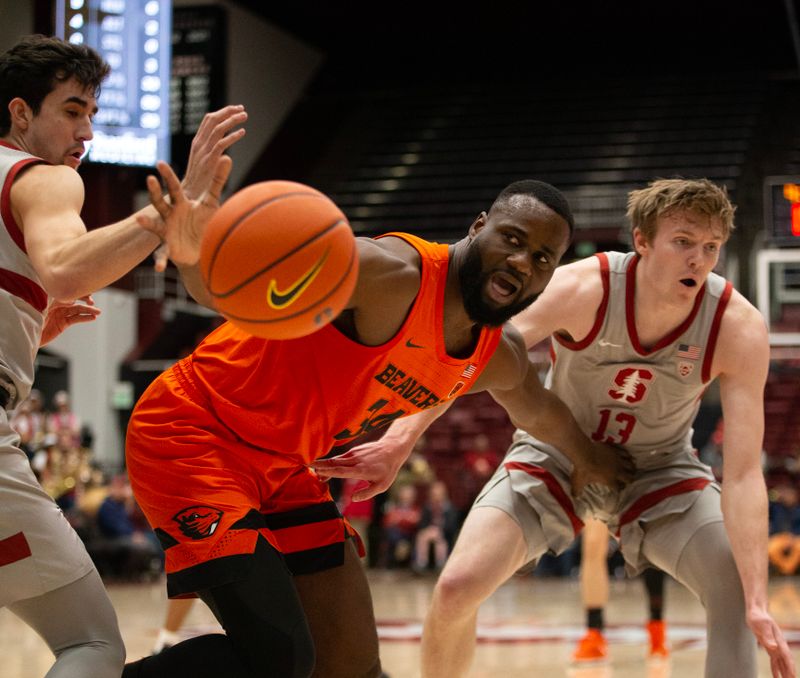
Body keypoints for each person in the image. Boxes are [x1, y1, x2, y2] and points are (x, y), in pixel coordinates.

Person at [122, 174, 635, 678]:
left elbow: (539, 410)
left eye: (542, 258)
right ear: (480, 226)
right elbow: (233, 289)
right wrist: (191, 254)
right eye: (513, 239)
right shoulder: (389, 274)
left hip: (282, 465)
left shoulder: (497, 355)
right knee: (280, 659)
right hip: (194, 433)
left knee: (351, 663)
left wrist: (593, 459)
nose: (522, 261)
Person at [317, 178, 796, 678]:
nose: (698, 259)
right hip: (555, 456)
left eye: (711, 247)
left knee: (737, 592)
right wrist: (399, 439)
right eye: (683, 242)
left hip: (662, 471)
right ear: (642, 241)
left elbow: (743, 475)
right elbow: (477, 358)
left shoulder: (737, 325)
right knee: (456, 588)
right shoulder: (584, 287)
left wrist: (761, 601)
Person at [0, 34, 246, 677]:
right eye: (72, 109)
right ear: (20, 113)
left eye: (92, 114)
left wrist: (32, 324)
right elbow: (63, 269)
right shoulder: (43, 178)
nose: (86, 131)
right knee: (91, 643)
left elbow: (42, 283)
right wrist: (162, 218)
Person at [572, 517, 668, 663]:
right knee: (592, 542)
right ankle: (594, 633)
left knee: (649, 541)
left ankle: (657, 628)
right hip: (601, 494)